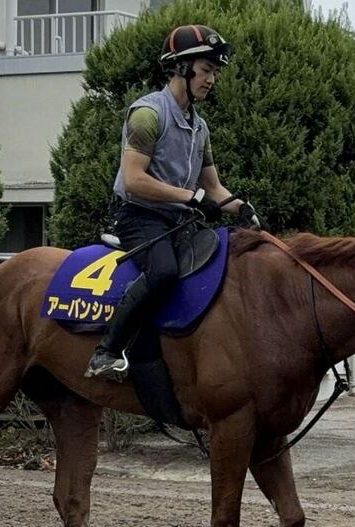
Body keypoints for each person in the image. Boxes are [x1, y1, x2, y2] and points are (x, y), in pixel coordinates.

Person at [85, 24, 266, 381]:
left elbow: (212, 187)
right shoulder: (148, 114)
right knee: (165, 271)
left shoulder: (200, 128)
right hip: (140, 215)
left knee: (221, 263)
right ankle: (106, 352)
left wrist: (241, 207)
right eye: (206, 70)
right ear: (182, 68)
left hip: (180, 219)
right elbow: (135, 180)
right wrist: (192, 197)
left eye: (214, 72)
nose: (212, 79)